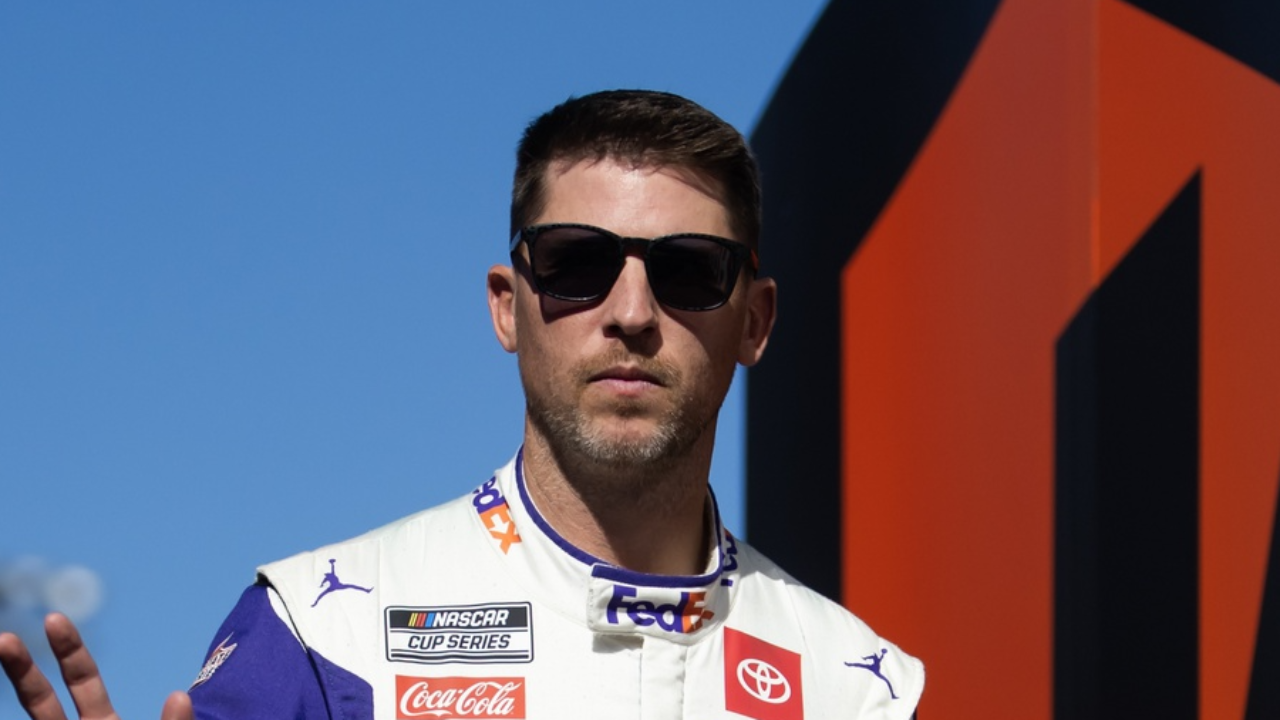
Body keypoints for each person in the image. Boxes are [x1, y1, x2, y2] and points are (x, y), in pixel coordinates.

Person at [0, 89, 923, 719]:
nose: (632, 314)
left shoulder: (860, 689)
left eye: (688, 271)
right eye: (576, 264)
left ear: (753, 321)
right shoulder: (327, 634)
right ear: (507, 306)